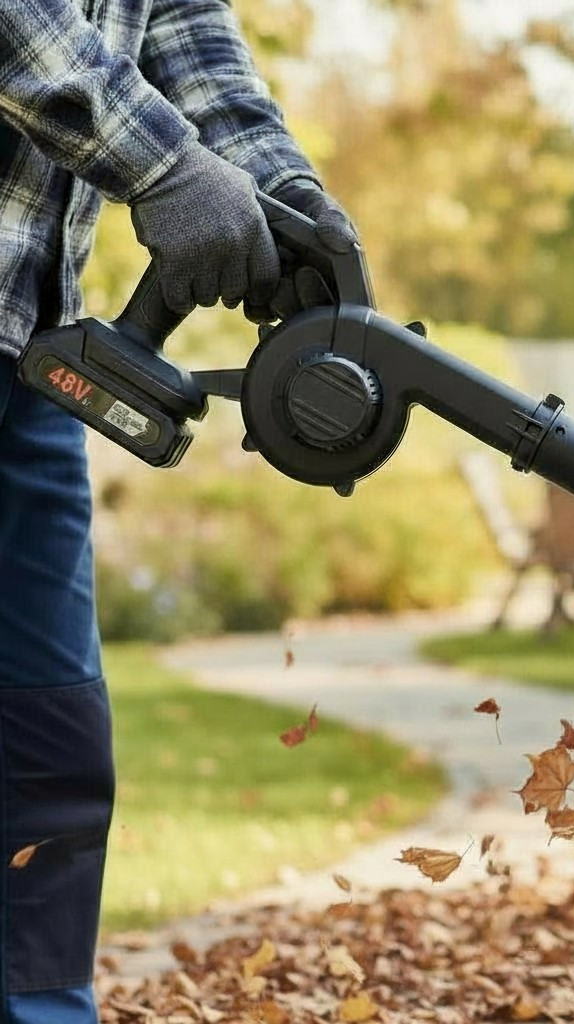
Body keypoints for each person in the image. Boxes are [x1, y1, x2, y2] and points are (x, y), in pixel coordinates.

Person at [0, 1, 357, 1020]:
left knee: (50, 738)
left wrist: (282, 194)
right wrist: (162, 166)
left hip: (32, 348)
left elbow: (193, 40)